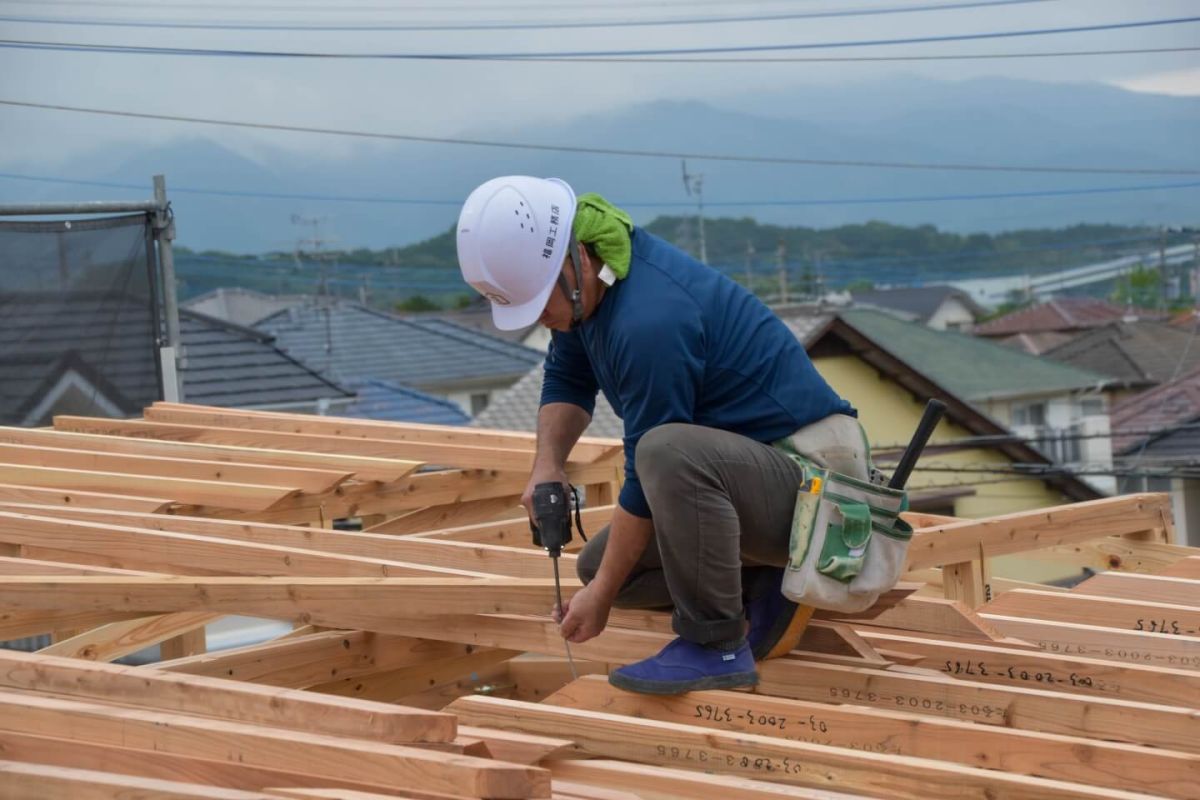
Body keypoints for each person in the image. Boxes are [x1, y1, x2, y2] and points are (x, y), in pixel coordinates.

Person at [456, 176, 870, 695]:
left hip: (817, 484)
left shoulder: (649, 320)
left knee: (664, 452)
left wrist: (600, 599)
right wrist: (549, 466)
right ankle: (765, 584)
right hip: (750, 480)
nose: (542, 318)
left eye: (541, 303)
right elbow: (568, 376)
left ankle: (714, 645)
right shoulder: (590, 294)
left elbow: (649, 470)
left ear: (578, 259)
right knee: (600, 567)